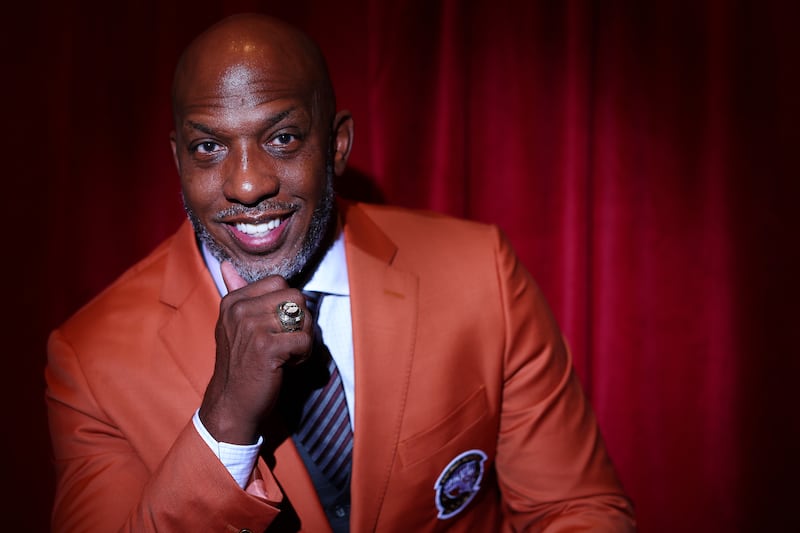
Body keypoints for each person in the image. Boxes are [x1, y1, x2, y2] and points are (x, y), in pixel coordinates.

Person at [45, 12, 636, 532]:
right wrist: (223, 423)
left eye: (282, 138)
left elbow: (577, 511)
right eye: (209, 148)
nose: (248, 184)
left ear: (337, 145)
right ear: (177, 158)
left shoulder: (482, 273)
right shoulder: (91, 361)